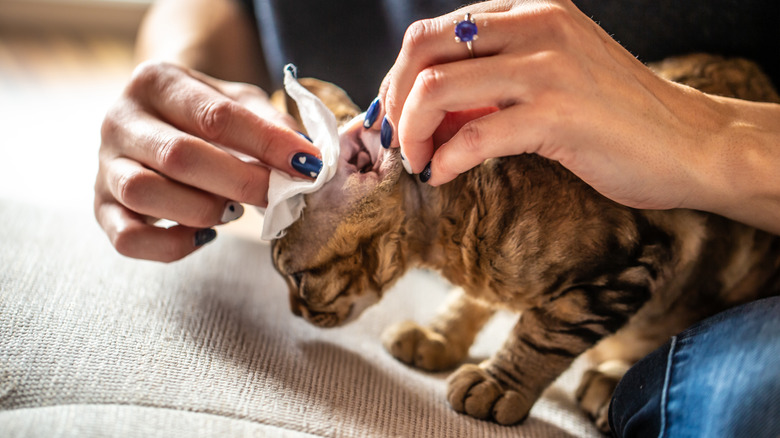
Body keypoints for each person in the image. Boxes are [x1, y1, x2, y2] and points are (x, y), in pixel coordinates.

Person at [95, 0, 779, 435]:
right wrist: (179, 79)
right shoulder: (459, 223)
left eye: (305, 283)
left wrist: (703, 137)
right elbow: (227, 11)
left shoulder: (525, 221)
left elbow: (629, 252)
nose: (303, 312)